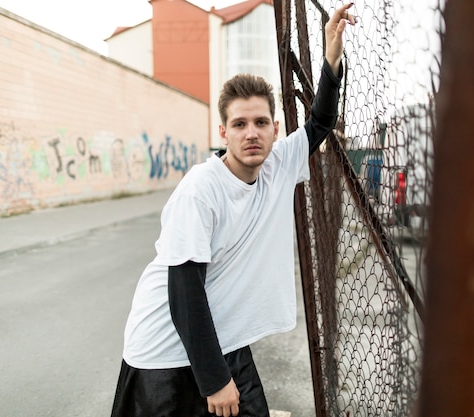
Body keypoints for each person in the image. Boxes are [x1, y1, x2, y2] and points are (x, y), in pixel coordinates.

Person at [110, 3, 356, 417]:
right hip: (163, 353)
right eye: (239, 125)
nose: (252, 133)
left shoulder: (279, 163)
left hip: (222, 340)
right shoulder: (200, 191)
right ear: (223, 132)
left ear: (275, 130)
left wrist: (333, 53)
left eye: (261, 122)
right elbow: (183, 290)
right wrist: (214, 380)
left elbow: (320, 122)